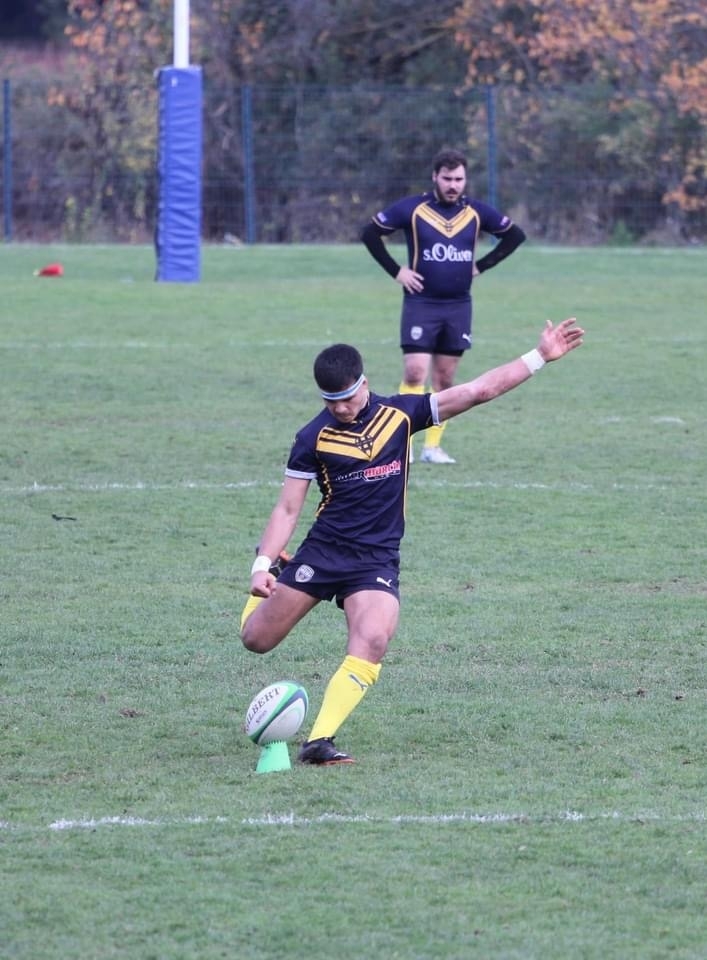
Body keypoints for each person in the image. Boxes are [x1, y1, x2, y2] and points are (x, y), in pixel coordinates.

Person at [239, 316, 584, 765]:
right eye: (331, 402)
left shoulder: (401, 415)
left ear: (364, 384)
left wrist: (540, 356)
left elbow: (478, 391)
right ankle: (275, 577)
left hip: (376, 560)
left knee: (373, 639)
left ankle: (318, 742)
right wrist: (261, 566)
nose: (340, 409)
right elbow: (288, 508)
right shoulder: (311, 438)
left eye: (347, 399)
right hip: (323, 553)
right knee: (256, 640)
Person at [361, 146, 526, 464]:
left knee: (445, 380)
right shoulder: (414, 208)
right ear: (435, 177)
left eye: (459, 179)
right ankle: (403, 444)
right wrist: (397, 271)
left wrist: (481, 265)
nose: (453, 185)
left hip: (458, 305)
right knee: (414, 372)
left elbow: (515, 235)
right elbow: (370, 233)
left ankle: (432, 447)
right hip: (420, 302)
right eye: (447, 178)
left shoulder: (475, 212)